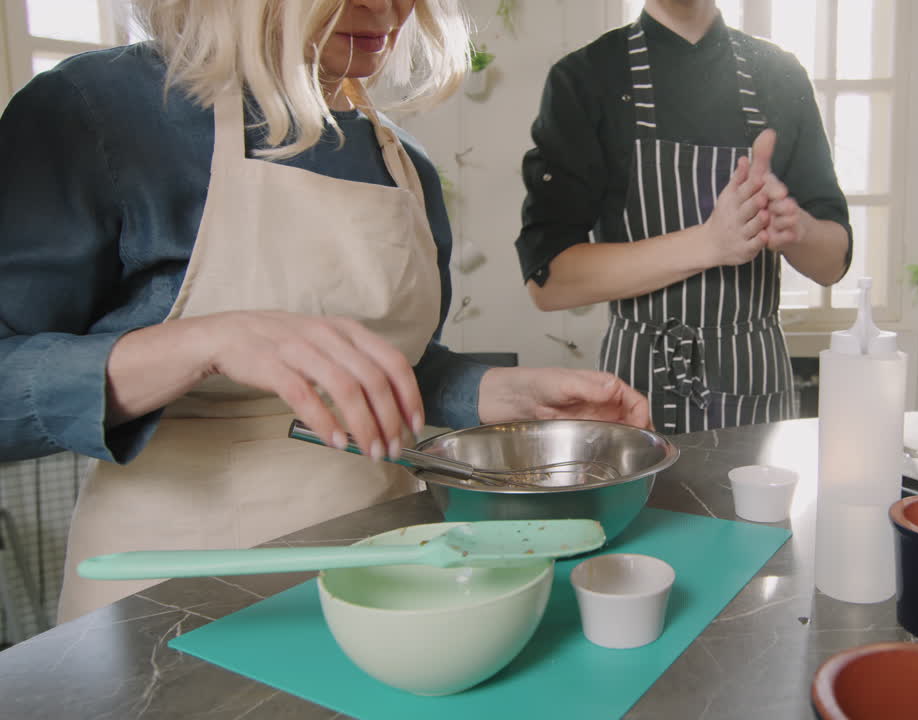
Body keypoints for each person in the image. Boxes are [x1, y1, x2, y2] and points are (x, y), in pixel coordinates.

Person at [0, 0, 649, 624]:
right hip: (176, 593)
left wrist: (501, 393)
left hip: (388, 568)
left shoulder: (402, 163)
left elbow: (392, 370)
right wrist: (203, 344)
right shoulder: (99, 110)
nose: (388, 9)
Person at [515, 0, 851, 435]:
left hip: (754, 383)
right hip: (633, 393)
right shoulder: (586, 79)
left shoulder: (781, 76)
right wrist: (709, 243)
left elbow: (832, 262)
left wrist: (795, 229)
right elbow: (549, 281)